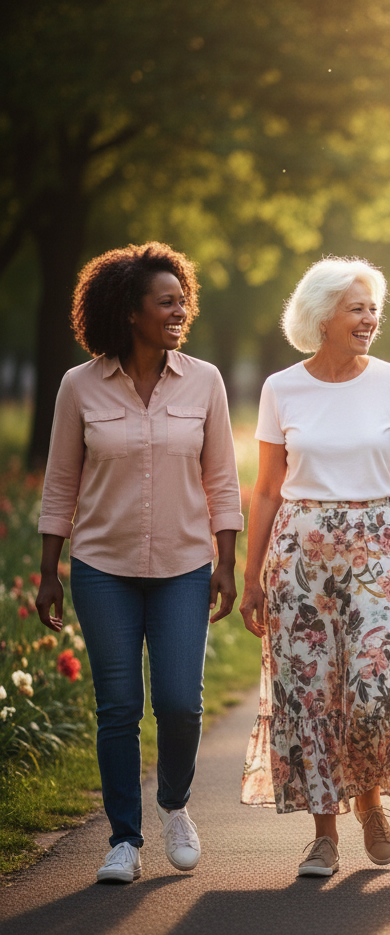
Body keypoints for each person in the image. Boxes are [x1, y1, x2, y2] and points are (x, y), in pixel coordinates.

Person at [239, 257, 390, 878]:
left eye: (372, 308)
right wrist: (252, 576)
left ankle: (369, 801)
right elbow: (267, 487)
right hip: (300, 551)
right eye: (357, 308)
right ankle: (324, 835)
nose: (370, 318)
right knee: (309, 694)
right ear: (322, 316)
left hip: (376, 547)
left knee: (368, 690)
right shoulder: (283, 387)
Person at [36, 243, 242, 884]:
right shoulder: (79, 385)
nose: (180, 311)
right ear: (130, 311)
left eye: (183, 301)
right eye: (167, 302)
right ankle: (124, 839)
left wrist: (227, 561)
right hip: (103, 567)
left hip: (183, 565)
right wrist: (50, 570)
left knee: (180, 703)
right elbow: (60, 482)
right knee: (119, 707)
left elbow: (223, 479)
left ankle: (175, 806)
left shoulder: (206, 381)